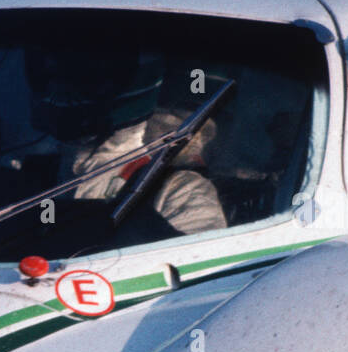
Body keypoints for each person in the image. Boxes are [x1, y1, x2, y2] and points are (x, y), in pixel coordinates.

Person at [27, 47, 227, 236]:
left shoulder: (179, 190)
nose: (62, 96)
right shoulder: (31, 177)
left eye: (78, 81)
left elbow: (202, 266)